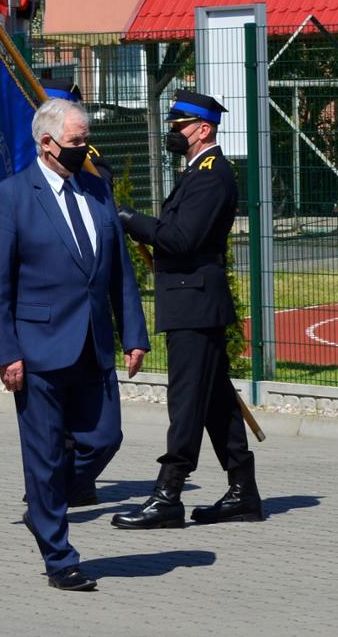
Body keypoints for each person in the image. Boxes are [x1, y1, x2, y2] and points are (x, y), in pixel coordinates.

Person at [0, 97, 148, 591]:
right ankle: (59, 555)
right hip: (36, 349)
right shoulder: (11, 197)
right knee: (45, 454)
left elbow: (119, 272)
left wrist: (132, 333)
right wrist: (6, 352)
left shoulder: (96, 189)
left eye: (85, 140)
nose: (84, 149)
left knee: (104, 438)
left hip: (92, 344)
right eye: (76, 142)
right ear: (46, 144)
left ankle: (44, 501)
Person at [113, 90, 260, 529]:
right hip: (190, 300)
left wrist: (127, 217)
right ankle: (243, 491)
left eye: (179, 125)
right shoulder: (197, 172)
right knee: (215, 401)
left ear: (203, 129)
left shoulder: (213, 175)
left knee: (186, 401)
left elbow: (180, 239)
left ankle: (168, 494)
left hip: (195, 303)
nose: (173, 132)